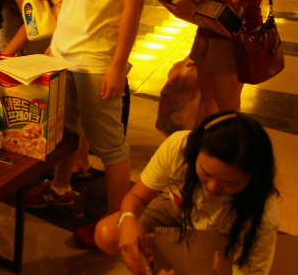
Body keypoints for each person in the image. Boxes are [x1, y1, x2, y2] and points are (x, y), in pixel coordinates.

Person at [25, 0, 149, 249]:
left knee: (110, 146)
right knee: (64, 132)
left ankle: (115, 226)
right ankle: (60, 189)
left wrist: (118, 66)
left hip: (98, 56)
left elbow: (134, 3)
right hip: (66, 47)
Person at [95, 111, 279, 275]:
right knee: (109, 235)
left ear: (255, 177)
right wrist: (127, 220)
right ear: (195, 151)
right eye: (205, 173)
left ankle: (181, 252)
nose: (212, 187)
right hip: (179, 208)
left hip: (219, 234)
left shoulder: (262, 215)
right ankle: (174, 249)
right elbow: (138, 196)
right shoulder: (179, 146)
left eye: (230, 183)